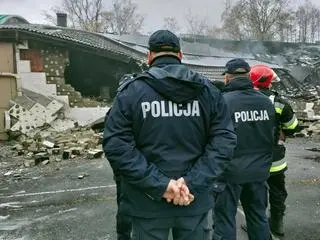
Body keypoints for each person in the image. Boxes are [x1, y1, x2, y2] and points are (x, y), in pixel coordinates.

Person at [102, 29, 237, 240]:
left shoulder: (131, 92)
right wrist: (191, 183)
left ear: (149, 56)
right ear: (180, 55)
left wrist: (161, 185)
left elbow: (116, 145)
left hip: (147, 204)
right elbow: (224, 141)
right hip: (193, 198)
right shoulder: (208, 92)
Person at [212, 58, 276, 240]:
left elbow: (215, 137)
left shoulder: (222, 102)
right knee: (258, 218)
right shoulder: (266, 102)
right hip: (258, 172)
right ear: (248, 76)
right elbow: (272, 135)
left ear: (227, 78)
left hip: (229, 174)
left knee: (225, 220)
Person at [249, 65, 299, 236]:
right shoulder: (279, 103)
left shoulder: (245, 100)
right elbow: (292, 127)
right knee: (277, 192)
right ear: (269, 81)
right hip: (275, 160)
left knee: (255, 193)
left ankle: (257, 225)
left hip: (252, 160)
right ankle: (277, 224)